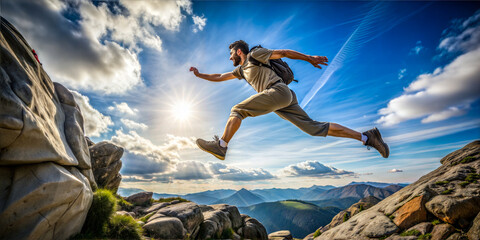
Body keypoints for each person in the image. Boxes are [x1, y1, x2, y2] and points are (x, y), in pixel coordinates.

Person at [189, 40, 389, 160]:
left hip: (277, 91)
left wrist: (309, 58)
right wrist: (200, 75)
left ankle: (221, 146)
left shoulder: (254, 55)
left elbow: (283, 53)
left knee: (238, 110)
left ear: (239, 51)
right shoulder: (241, 70)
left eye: (231, 53)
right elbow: (220, 76)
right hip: (282, 99)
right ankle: (367, 137)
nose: (229, 57)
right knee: (313, 128)